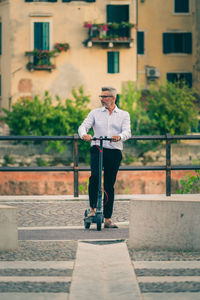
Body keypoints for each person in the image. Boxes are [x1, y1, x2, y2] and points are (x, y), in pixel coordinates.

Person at [78, 86, 131, 228]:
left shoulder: (124, 114)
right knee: (94, 177)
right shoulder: (95, 113)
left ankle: (107, 218)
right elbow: (83, 126)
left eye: (104, 97)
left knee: (109, 184)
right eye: (100, 97)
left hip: (114, 151)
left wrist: (119, 137)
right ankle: (92, 209)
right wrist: (84, 134)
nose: (101, 99)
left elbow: (127, 132)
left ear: (113, 98)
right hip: (97, 148)